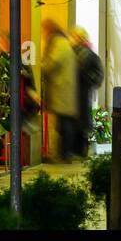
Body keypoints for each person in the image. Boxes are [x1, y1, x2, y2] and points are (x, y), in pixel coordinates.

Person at [40, 19, 80, 161]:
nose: (43, 34)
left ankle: (64, 154)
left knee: (63, 125)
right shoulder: (63, 42)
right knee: (64, 124)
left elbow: (52, 63)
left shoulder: (58, 43)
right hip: (64, 90)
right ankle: (64, 153)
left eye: (44, 30)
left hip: (61, 90)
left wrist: (40, 66)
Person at [71, 27, 103, 157]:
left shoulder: (88, 54)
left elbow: (98, 74)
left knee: (81, 120)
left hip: (82, 91)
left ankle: (81, 149)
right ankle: (78, 149)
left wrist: (87, 78)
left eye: (77, 37)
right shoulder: (73, 51)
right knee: (78, 120)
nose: (75, 39)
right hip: (76, 91)